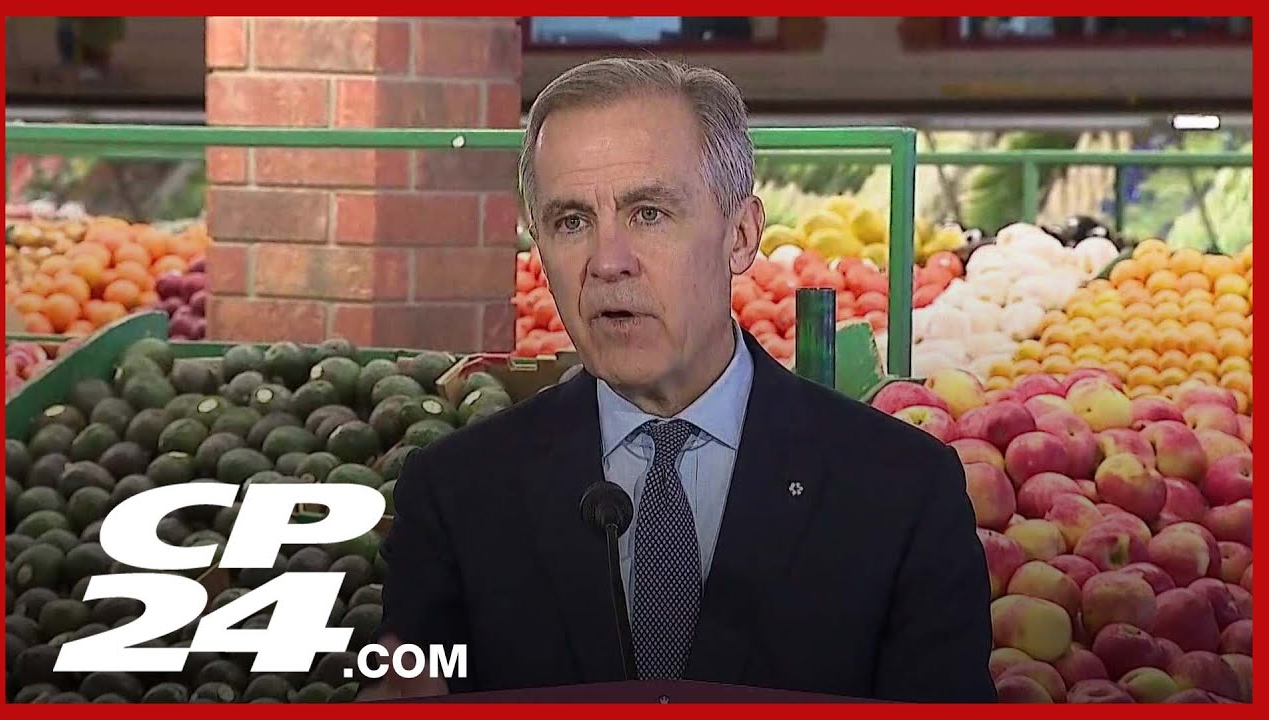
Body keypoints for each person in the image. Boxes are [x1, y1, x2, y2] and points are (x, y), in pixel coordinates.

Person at [364, 57, 995, 703]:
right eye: (571, 222)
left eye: (649, 213)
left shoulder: (903, 491)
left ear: (741, 236)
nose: (607, 263)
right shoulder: (456, 494)